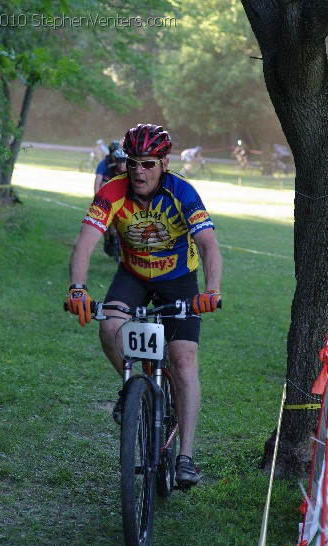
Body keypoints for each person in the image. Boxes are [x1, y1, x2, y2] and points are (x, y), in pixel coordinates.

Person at [66, 124, 222, 487]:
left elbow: (209, 246)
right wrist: (77, 289)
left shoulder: (182, 192)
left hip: (179, 279)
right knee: (109, 326)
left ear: (164, 164)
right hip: (133, 274)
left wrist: (211, 290)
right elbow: (85, 243)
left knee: (183, 361)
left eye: (148, 164)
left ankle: (185, 456)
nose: (139, 171)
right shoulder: (111, 192)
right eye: (133, 163)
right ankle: (132, 390)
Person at [94, 143, 127, 257]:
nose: (121, 164)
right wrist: (98, 200)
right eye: (119, 161)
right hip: (109, 199)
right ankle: (109, 240)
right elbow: (100, 184)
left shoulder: (130, 171)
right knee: (106, 221)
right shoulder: (106, 167)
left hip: (123, 199)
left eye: (124, 161)